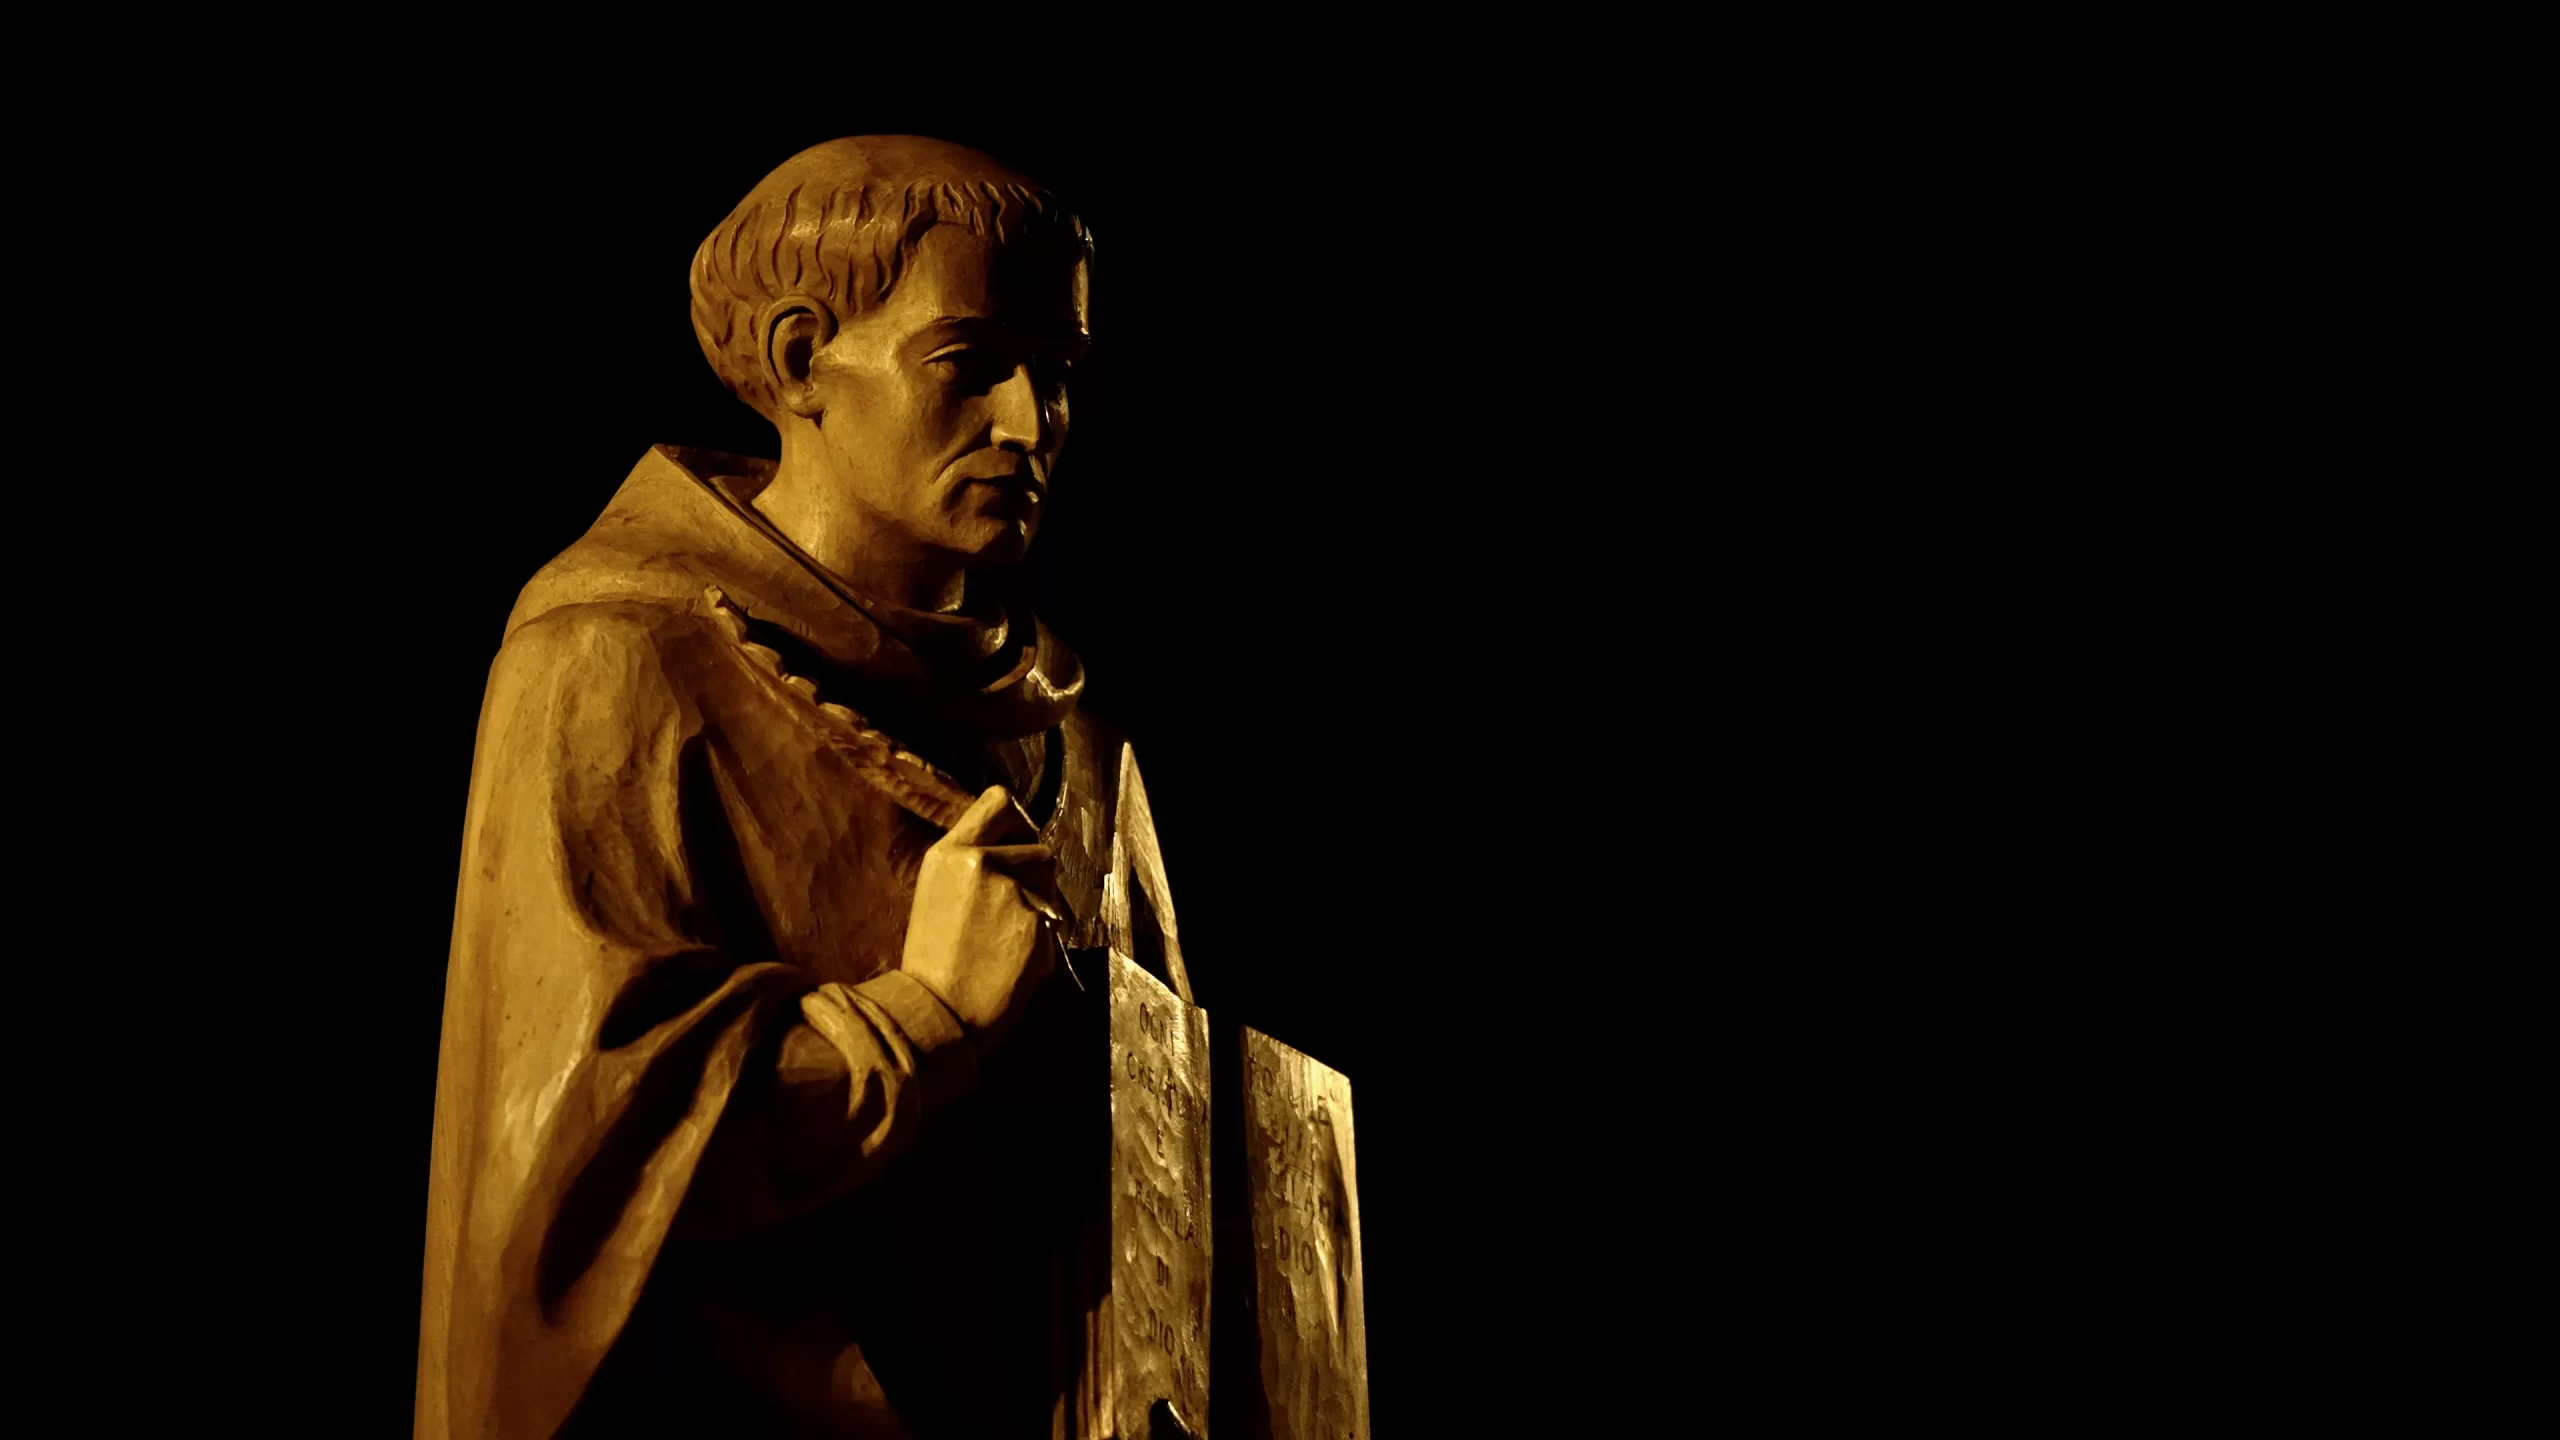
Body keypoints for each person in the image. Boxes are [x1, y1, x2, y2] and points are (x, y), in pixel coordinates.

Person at [416, 135, 1157, 1439]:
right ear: (803, 358)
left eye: (1058, 372)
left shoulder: (1065, 735)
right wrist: (925, 1020)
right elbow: (573, 1164)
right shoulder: (618, 657)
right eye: (970, 365)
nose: (1030, 425)